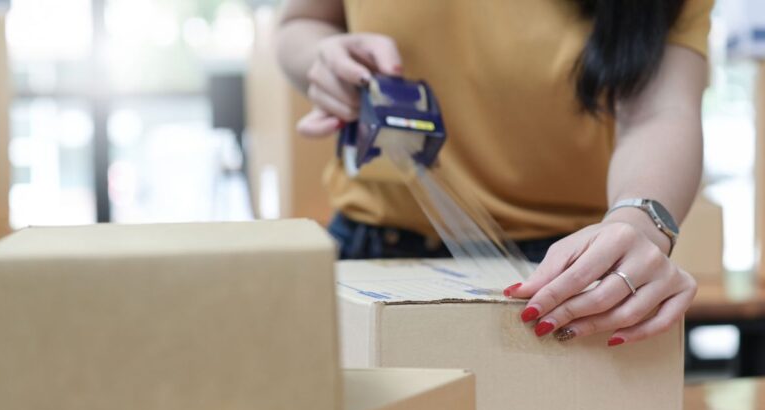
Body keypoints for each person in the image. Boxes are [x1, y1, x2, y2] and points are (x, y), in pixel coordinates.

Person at [276, 0, 713, 346]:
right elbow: (301, 22)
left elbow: (662, 110)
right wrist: (324, 58)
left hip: (563, 272)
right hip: (374, 251)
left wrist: (638, 221)